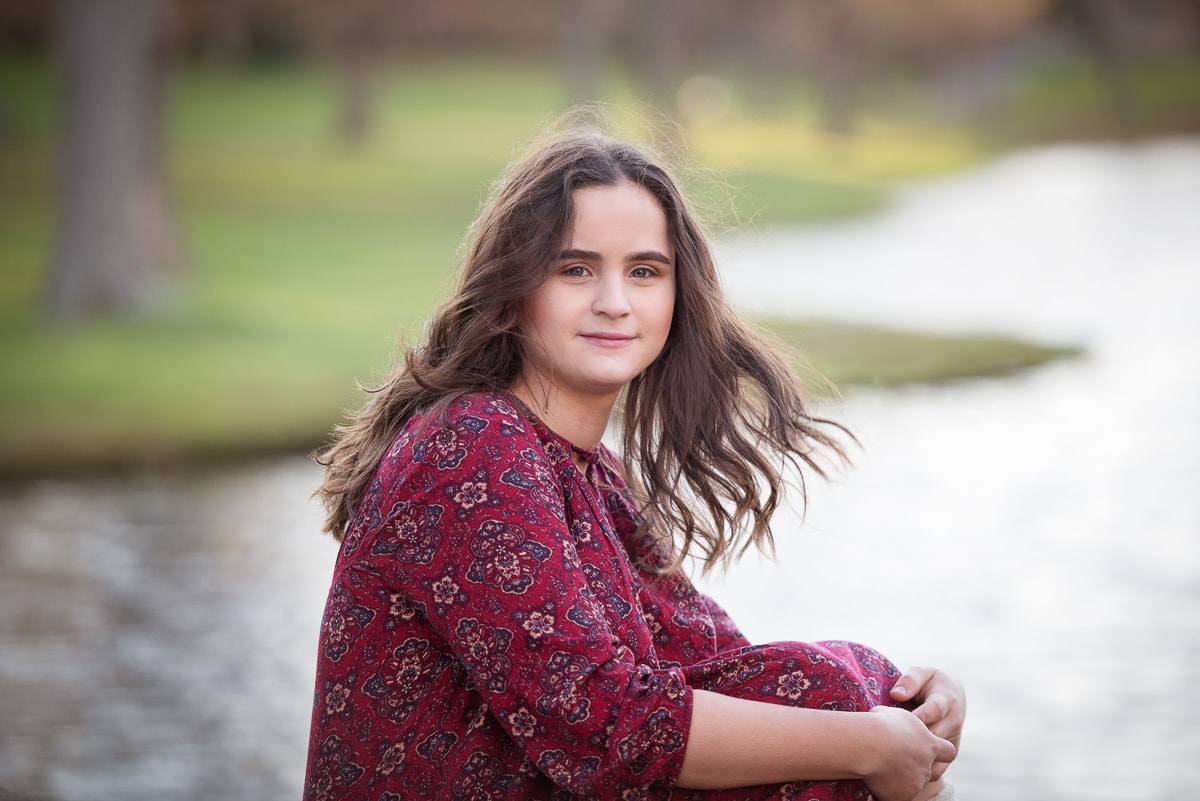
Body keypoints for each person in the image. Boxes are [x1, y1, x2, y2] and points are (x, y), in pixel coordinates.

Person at [303, 118, 965, 801]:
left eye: (644, 271)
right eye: (575, 269)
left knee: (837, 701)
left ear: (677, 298)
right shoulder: (471, 444)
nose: (613, 303)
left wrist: (910, 698)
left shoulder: (590, 472)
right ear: (514, 287)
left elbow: (719, 665)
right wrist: (872, 741)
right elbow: (606, 722)